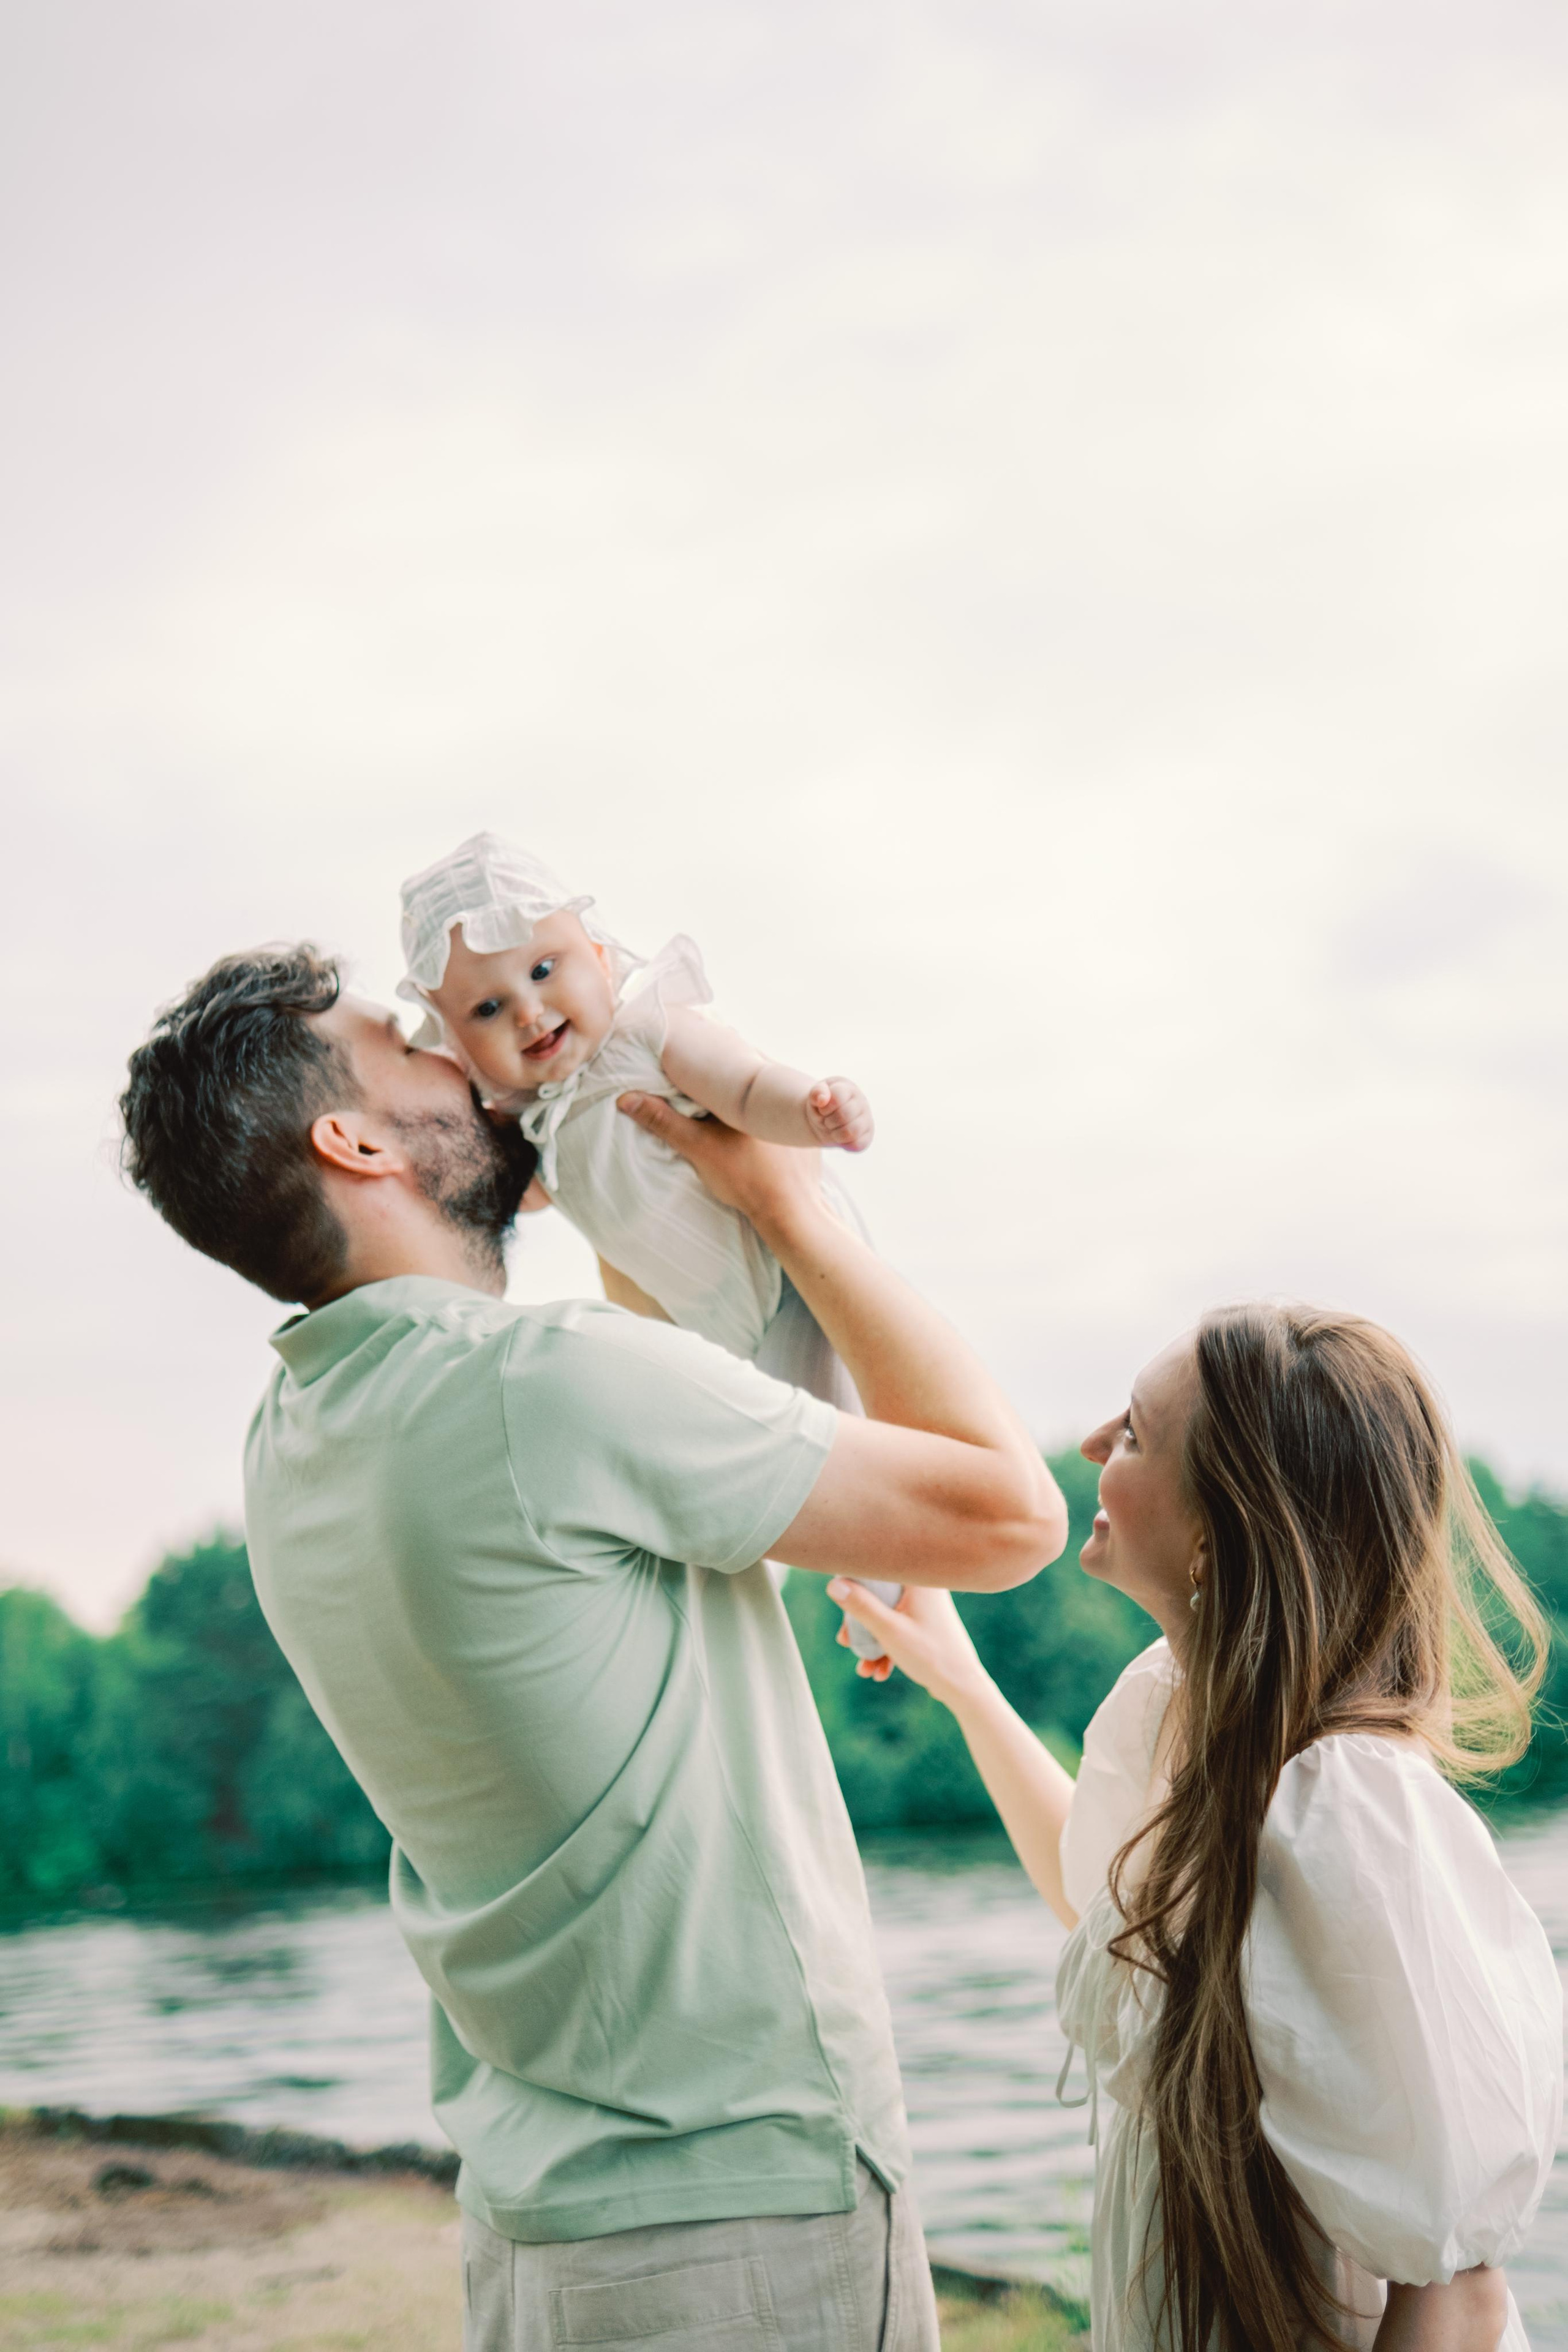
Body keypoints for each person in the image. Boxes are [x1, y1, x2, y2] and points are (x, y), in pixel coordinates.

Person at [118, 942, 1067, 2352]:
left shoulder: (295, 1438)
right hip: (743, 2207)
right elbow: (1009, 1516)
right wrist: (792, 1204)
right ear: (356, 1137)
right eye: (411, 1044)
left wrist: (616, 1176)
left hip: (545, 2219)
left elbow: (670, 1424)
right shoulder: (541, 1387)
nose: (467, 1050)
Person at [834, 1307, 1563, 2352]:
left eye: (1131, 1432)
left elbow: (1456, 2289)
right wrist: (961, 1683)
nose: (1090, 1445)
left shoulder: (1347, 1810)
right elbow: (1106, 1906)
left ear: (1217, 1536)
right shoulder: (1197, 1732)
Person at [396, 830, 903, 1654]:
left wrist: (809, 1108)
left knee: (838, 1440)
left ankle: (882, 1600)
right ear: (456, 1042)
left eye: (543, 969)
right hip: (713, 1321)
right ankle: (799, 1599)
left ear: (599, 954)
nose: (527, 1010)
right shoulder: (537, 1118)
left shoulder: (645, 1037)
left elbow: (742, 1085)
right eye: (487, 1009)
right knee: (740, 1463)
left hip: (788, 1277)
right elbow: (520, 1196)